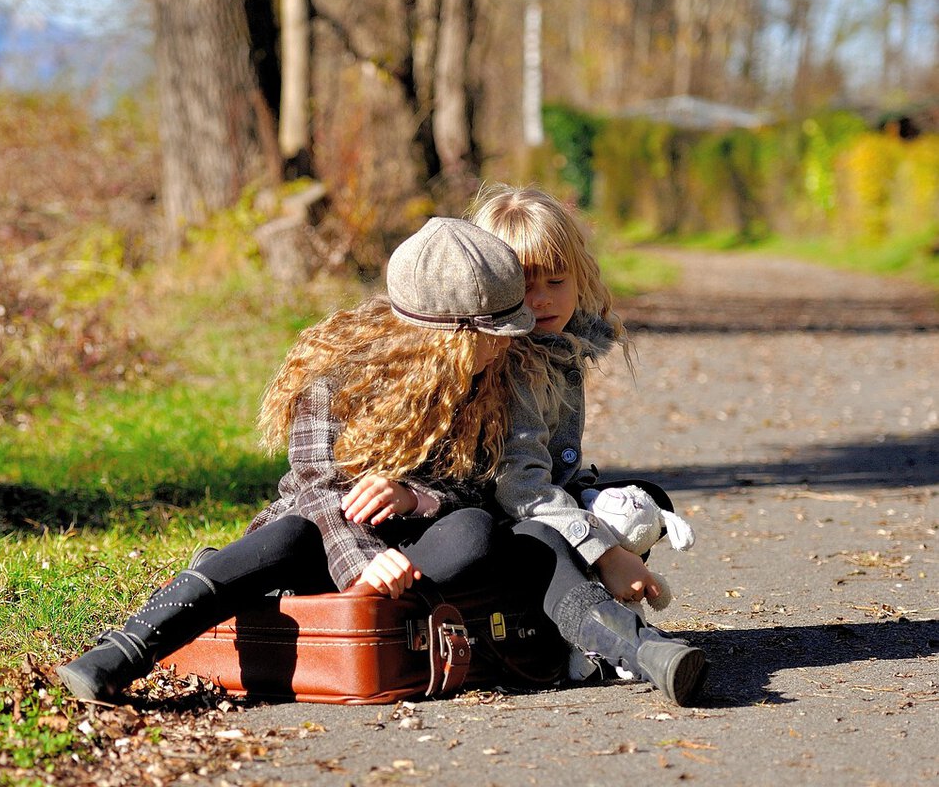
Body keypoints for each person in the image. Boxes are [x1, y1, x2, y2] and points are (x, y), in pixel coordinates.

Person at [56, 217, 536, 703]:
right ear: (447, 334)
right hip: (320, 537)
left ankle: (345, 616)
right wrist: (365, 564)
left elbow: (478, 485)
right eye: (494, 332)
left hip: (413, 552)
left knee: (475, 528)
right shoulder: (336, 378)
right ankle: (122, 652)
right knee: (292, 533)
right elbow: (319, 489)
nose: (506, 343)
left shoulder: (489, 379)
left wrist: (413, 497)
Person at [470, 184, 708, 705]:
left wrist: (596, 503)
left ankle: (602, 634)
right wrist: (605, 552)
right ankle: (635, 649)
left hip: (533, 506)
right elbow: (520, 485)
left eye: (557, 281)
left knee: (640, 500)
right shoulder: (510, 363)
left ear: (580, 276)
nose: (542, 300)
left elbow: (556, 468)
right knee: (558, 541)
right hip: (495, 520)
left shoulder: (558, 349)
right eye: (524, 286)